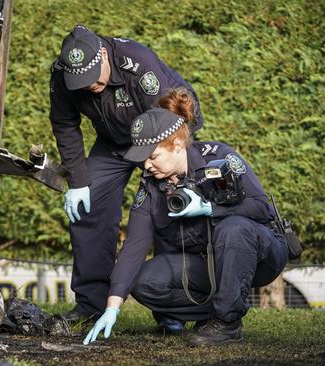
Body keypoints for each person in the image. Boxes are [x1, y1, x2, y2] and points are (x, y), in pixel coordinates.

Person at [83, 88, 289, 346]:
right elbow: (134, 245)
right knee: (145, 282)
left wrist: (211, 208)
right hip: (209, 264)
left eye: (153, 156)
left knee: (233, 228)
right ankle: (216, 313)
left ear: (177, 144)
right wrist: (113, 306)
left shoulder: (219, 157)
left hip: (260, 254)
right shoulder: (150, 185)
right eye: (142, 159)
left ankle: (227, 324)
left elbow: (261, 208)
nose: (146, 165)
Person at [49, 25, 203, 323]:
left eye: (93, 76)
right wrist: (78, 182)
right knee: (87, 205)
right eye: (79, 80)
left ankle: (171, 310)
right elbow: (65, 124)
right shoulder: (62, 75)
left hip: (162, 131)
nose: (88, 85)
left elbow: (170, 121)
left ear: (104, 54)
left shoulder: (138, 65)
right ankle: (91, 305)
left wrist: (161, 169)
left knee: (166, 208)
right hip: (114, 140)